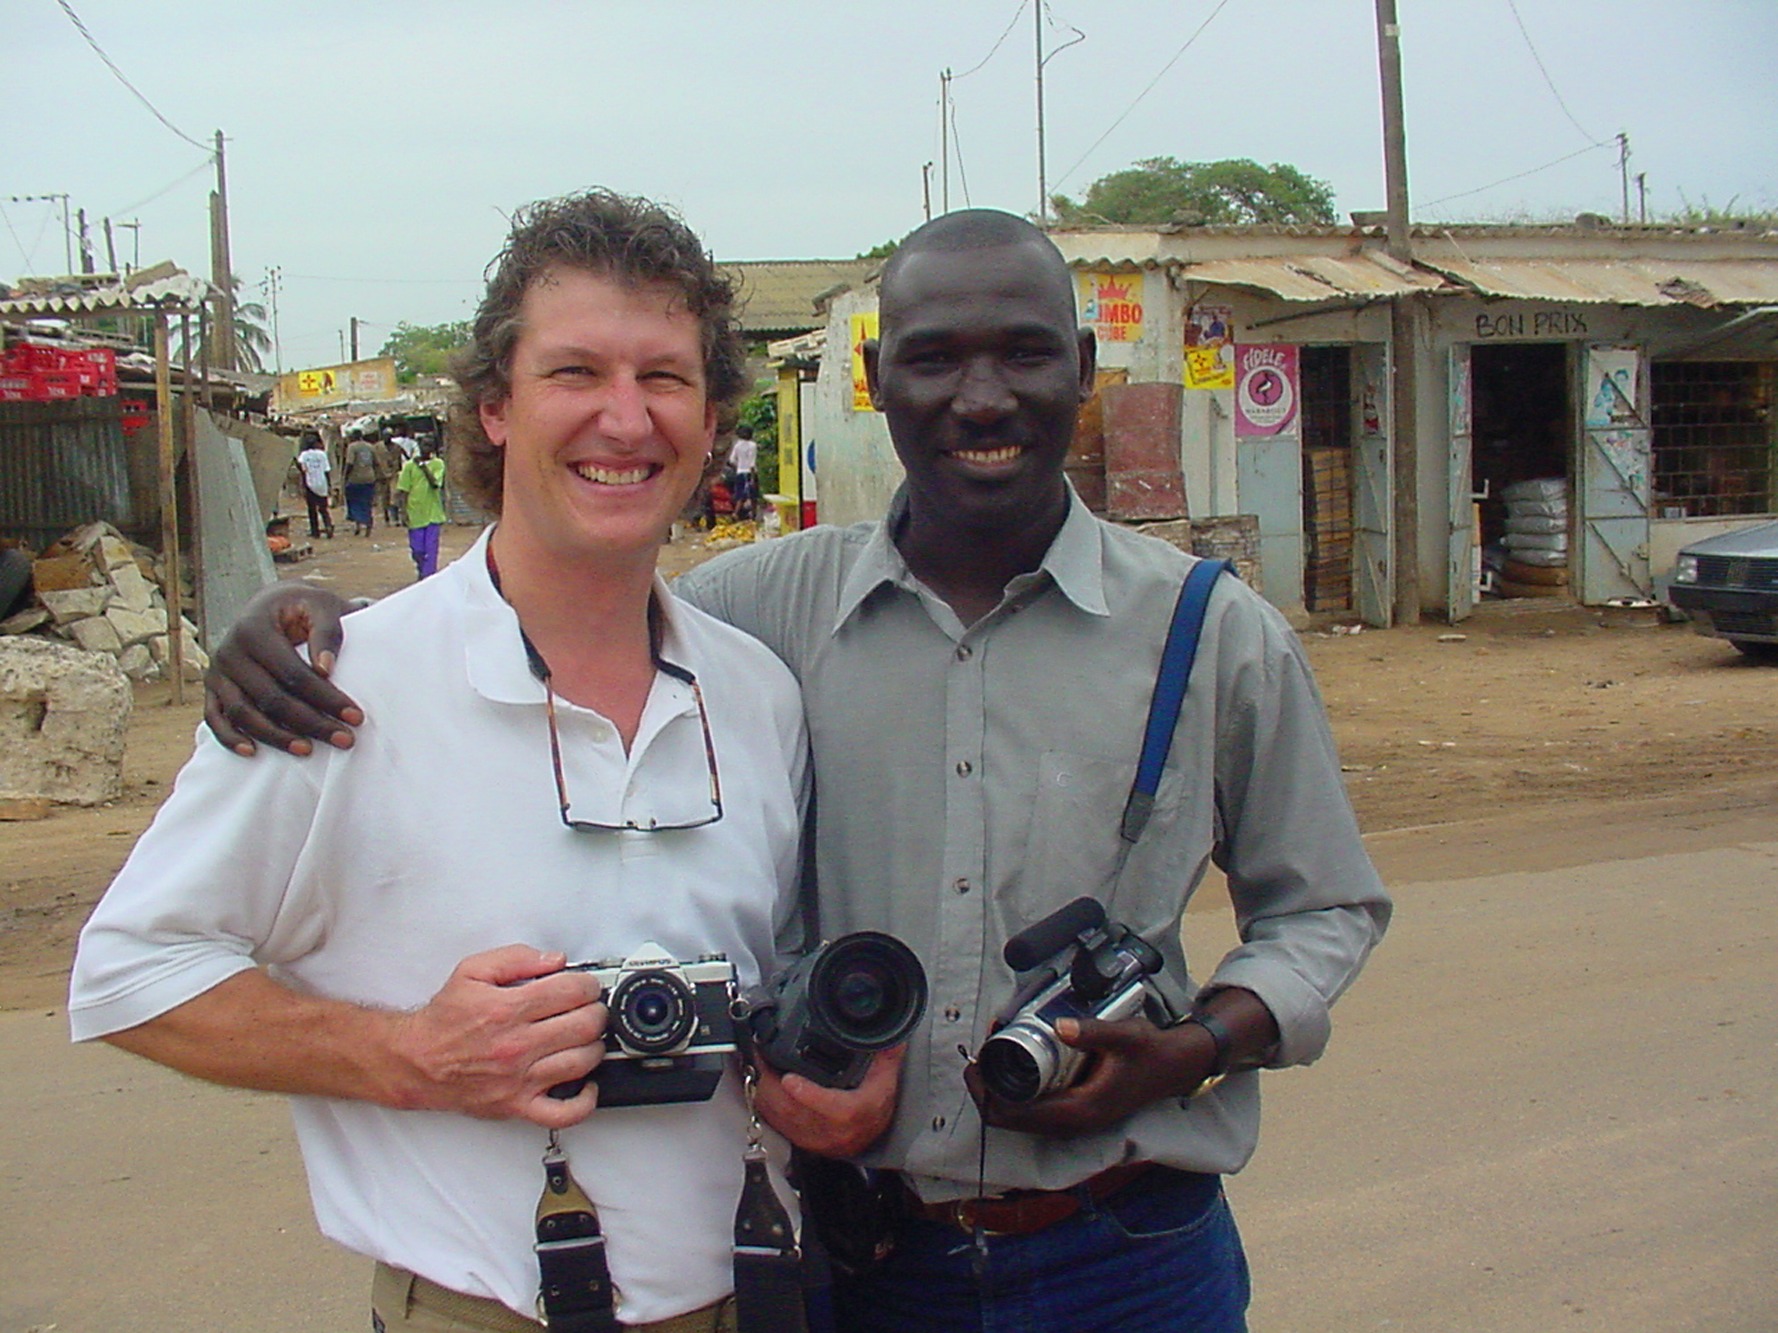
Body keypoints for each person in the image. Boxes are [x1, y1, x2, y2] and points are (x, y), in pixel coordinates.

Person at [203, 209, 1392, 1331]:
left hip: (1130, 1256)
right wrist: (323, 620)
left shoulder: (1210, 632)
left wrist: (1195, 1046)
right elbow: (557, 598)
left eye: (1025, 354)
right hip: (854, 1263)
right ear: (876, 384)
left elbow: (1323, 904)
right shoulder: (754, 614)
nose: (982, 398)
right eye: (933, 360)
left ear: (1080, 367)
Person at [71, 189, 817, 1333]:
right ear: (495, 408)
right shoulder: (339, 686)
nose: (625, 420)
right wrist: (411, 1055)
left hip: (754, 1299)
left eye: (663, 378)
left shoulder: (757, 692)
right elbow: (128, 974)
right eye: (574, 373)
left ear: (714, 417)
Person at [396, 437, 449, 579]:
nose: (426, 448)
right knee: (417, 550)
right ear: (419, 446)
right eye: (424, 444)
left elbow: (435, 484)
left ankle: (428, 577)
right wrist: (403, 512)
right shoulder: (409, 466)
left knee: (431, 550)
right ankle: (421, 569)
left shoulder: (438, 464)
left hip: (433, 514)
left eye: (430, 445)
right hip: (415, 513)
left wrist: (423, 467)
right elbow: (403, 490)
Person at [295, 431, 335, 539]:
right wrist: (329, 485)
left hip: (310, 483)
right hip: (322, 483)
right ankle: (328, 525)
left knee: (312, 509)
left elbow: (302, 470)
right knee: (323, 508)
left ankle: (315, 531)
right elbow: (327, 471)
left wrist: (302, 485)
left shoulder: (304, 455)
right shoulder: (322, 454)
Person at [343, 428, 381, 536]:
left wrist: (345, 477)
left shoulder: (352, 447)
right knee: (366, 502)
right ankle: (368, 522)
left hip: (356, 478)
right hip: (369, 477)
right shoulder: (370, 446)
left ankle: (358, 524)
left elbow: (349, 463)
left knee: (354, 501)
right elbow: (376, 463)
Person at [726, 424, 758, 521]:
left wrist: (739, 466)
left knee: (740, 495)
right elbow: (752, 463)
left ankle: (736, 513)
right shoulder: (752, 445)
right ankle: (753, 515)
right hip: (750, 473)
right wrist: (752, 477)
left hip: (740, 472)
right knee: (753, 496)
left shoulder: (737, 445)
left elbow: (732, 460)